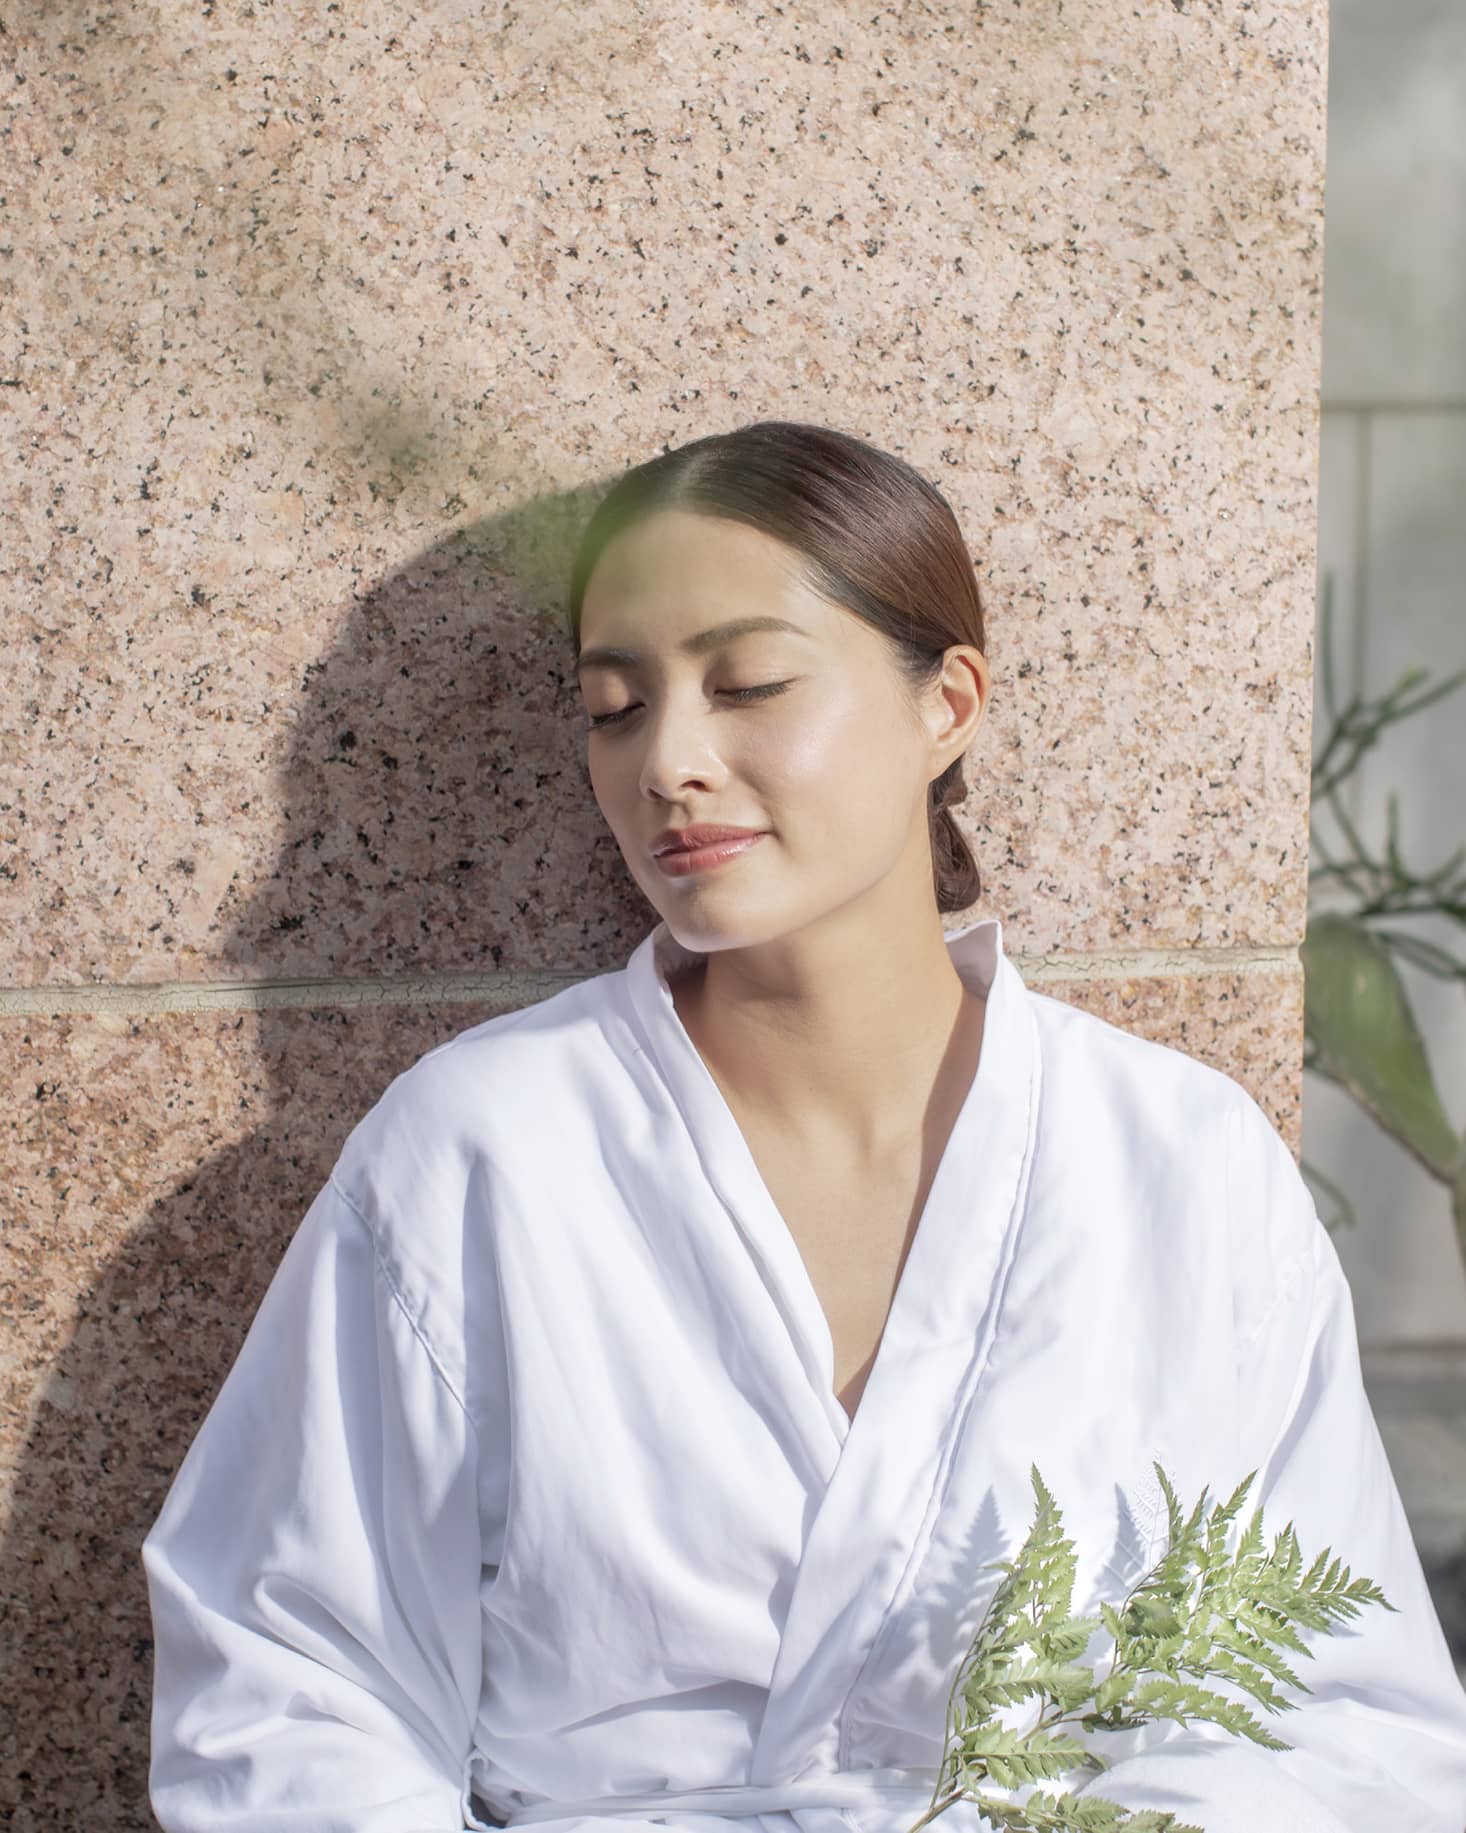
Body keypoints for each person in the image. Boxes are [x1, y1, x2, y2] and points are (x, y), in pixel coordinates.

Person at [140, 420, 1466, 1832]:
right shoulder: (481, 1152)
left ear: (946, 700)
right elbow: (285, 1693)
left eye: (749, 681)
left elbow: (1345, 1715)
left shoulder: (1174, 1163)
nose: (670, 761)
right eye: (613, 705)